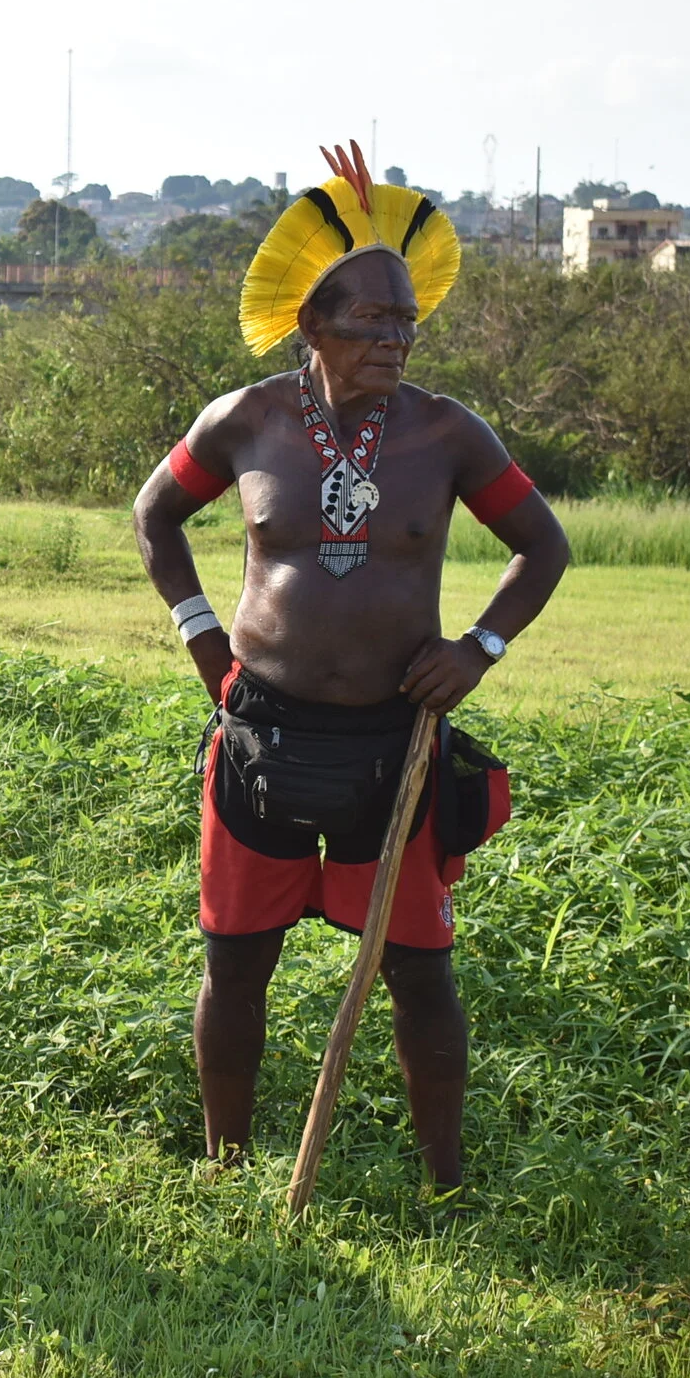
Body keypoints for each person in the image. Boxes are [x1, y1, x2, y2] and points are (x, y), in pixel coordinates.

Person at [132, 141, 570, 1191]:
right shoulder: (244, 422)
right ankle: (224, 1166)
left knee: (421, 976)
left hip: (397, 748)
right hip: (260, 736)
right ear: (308, 325)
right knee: (235, 964)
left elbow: (542, 548)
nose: (395, 337)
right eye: (371, 319)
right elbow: (155, 517)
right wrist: (205, 643)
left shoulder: (444, 435)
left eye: (406, 318)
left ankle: (445, 1184)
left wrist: (479, 648)